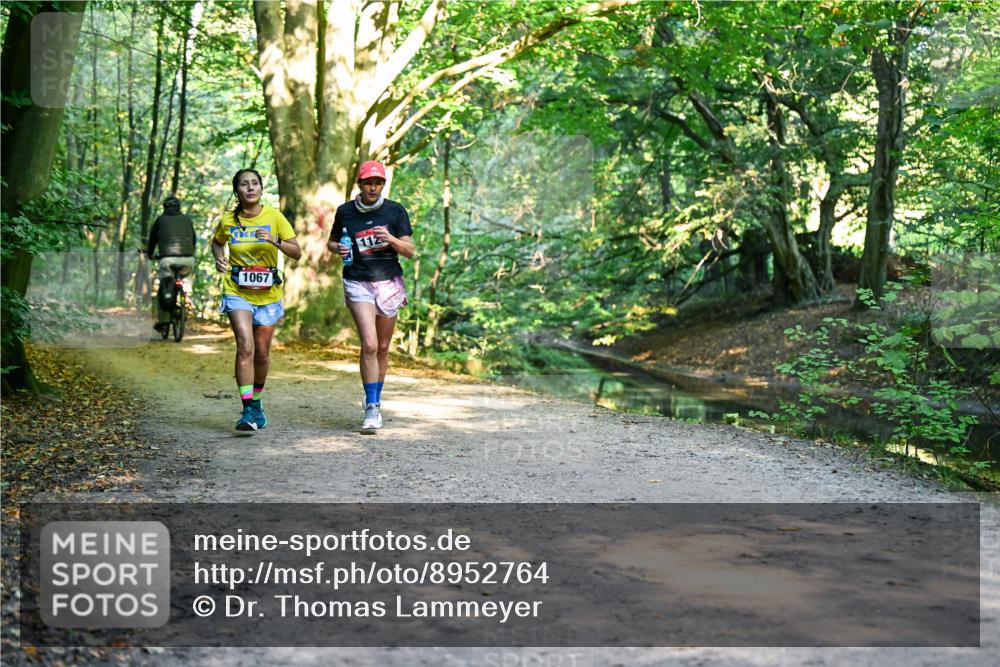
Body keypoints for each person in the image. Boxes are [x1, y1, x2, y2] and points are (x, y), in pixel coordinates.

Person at [211, 168, 301, 433]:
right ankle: (248, 408)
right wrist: (219, 258)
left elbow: (296, 252)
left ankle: (257, 401)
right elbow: (217, 243)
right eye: (243, 184)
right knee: (245, 346)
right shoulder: (228, 220)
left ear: (261, 189)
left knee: (261, 354)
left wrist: (275, 241)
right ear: (237, 191)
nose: (250, 188)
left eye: (254, 183)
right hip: (237, 290)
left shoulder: (274, 217)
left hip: (268, 294)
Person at [328, 160, 415, 431]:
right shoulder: (345, 211)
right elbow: (332, 241)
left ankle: (376, 400)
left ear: (383, 185)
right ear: (360, 184)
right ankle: (371, 407)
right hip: (357, 281)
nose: (373, 187)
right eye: (368, 183)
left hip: (388, 282)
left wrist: (390, 238)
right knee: (369, 344)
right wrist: (338, 249)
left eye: (378, 183)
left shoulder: (395, 211)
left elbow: (409, 250)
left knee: (383, 347)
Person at [147, 195, 196, 333]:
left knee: (163, 287)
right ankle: (186, 296)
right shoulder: (187, 219)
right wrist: (190, 253)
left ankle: (163, 322)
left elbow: (153, 240)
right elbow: (193, 239)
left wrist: (150, 254)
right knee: (185, 277)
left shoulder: (160, 220)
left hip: (167, 259)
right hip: (188, 259)